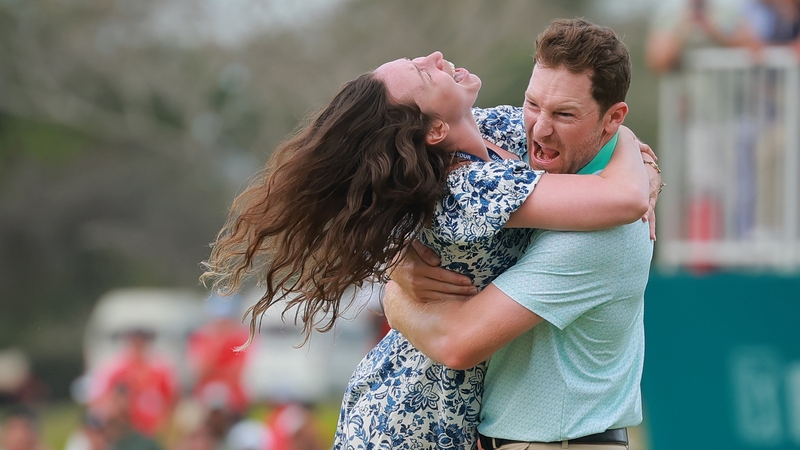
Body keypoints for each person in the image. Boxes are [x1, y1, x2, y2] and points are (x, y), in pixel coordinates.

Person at [201, 37, 657, 450]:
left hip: (451, 415)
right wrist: (628, 146)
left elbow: (618, 161)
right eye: (423, 72)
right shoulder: (463, 189)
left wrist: (638, 157)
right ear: (435, 130)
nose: (435, 56)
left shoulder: (497, 135)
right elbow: (625, 195)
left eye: (558, 112)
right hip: (411, 415)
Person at [383, 18, 656, 449]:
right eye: (533, 105)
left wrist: (394, 297)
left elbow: (457, 342)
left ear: (612, 119)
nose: (539, 129)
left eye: (564, 114)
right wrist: (396, 259)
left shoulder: (600, 235)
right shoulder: (526, 168)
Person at [87, 329, 178, 438]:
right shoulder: (116, 370)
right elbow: (101, 399)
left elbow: (171, 399)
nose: (138, 347)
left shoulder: (160, 371)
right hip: (124, 430)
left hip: (151, 430)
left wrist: (164, 423)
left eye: (141, 342)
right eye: (135, 342)